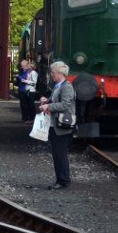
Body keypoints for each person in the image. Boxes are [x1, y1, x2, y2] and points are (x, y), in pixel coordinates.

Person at [39, 61, 78, 189]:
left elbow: (66, 104)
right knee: (57, 152)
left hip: (62, 126)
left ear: (60, 73)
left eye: (53, 72)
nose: (51, 75)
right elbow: (56, 100)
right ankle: (61, 179)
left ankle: (63, 181)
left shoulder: (66, 86)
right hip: (55, 125)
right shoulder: (58, 86)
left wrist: (48, 106)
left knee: (60, 153)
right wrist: (47, 100)